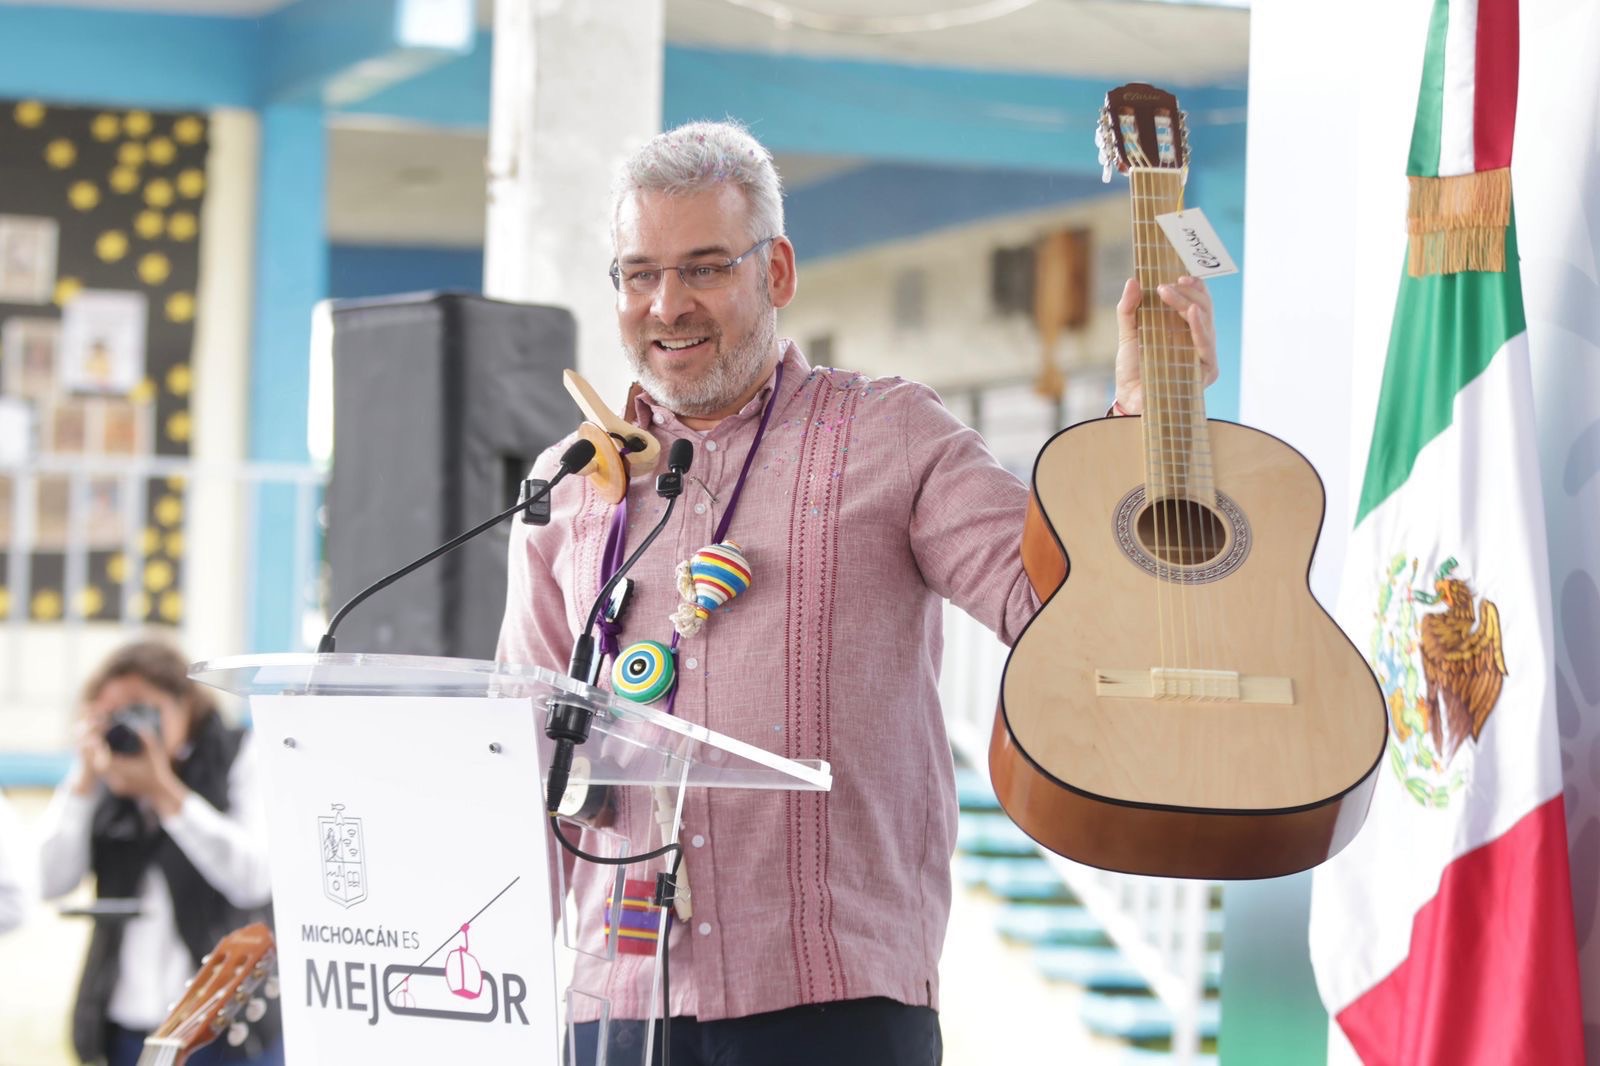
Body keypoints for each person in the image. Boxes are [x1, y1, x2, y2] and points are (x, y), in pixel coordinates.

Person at [497, 119, 1217, 1066]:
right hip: (616, 1007)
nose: (667, 305)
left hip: (835, 1005)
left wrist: (1143, 422)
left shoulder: (892, 435)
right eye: (640, 274)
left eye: (705, 267)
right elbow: (518, 745)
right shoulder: (567, 481)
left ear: (778, 271)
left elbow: (1057, 606)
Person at [38, 638, 282, 1066]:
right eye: (112, 716)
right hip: (128, 1024)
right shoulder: (103, 773)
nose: (129, 728)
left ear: (186, 705)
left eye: (141, 711)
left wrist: (164, 794)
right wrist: (84, 783)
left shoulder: (237, 755)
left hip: (227, 1022)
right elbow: (49, 880)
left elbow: (253, 880)